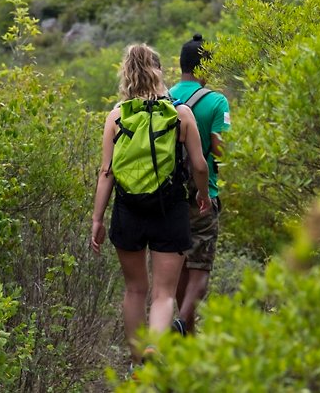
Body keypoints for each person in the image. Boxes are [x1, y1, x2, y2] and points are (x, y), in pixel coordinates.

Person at [90, 43, 210, 368]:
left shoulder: (116, 116)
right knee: (164, 293)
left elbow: (107, 172)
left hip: (128, 210)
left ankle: (136, 364)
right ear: (159, 71)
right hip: (169, 210)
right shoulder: (180, 113)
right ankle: (155, 347)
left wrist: (97, 219)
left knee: (134, 290)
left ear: (126, 73)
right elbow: (199, 165)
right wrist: (203, 194)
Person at [169, 34, 231, 335]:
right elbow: (219, 149)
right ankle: (182, 322)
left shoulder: (166, 98)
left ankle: (186, 337)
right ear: (205, 65)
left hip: (169, 197)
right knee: (200, 267)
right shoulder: (216, 101)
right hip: (204, 193)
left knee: (179, 265)